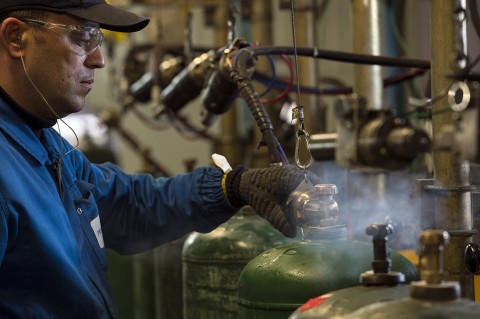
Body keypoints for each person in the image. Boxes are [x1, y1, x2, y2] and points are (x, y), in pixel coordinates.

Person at [0, 1, 319, 318]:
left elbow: (127, 205)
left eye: (98, 39)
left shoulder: (42, 141)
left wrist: (231, 187)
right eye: (83, 38)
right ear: (16, 37)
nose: (98, 60)